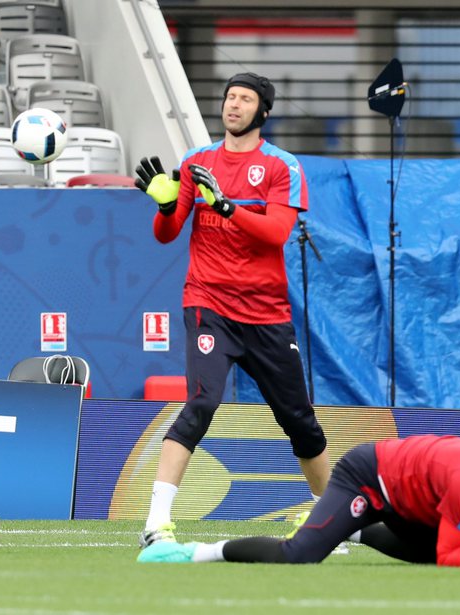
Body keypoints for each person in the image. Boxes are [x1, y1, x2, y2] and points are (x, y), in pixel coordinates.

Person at [133, 72, 330, 548]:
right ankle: (156, 523)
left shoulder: (281, 166)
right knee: (200, 403)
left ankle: (330, 521)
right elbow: (167, 233)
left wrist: (225, 207)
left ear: (263, 113)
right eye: (229, 97)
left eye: (245, 99)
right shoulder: (196, 161)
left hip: (265, 313)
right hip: (208, 304)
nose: (234, 105)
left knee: (300, 421)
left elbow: (276, 233)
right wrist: (164, 205)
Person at [137, 427, 460, 567]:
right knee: (300, 557)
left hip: (414, 501)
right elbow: (456, 558)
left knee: (425, 554)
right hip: (369, 478)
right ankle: (193, 553)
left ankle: (350, 531)